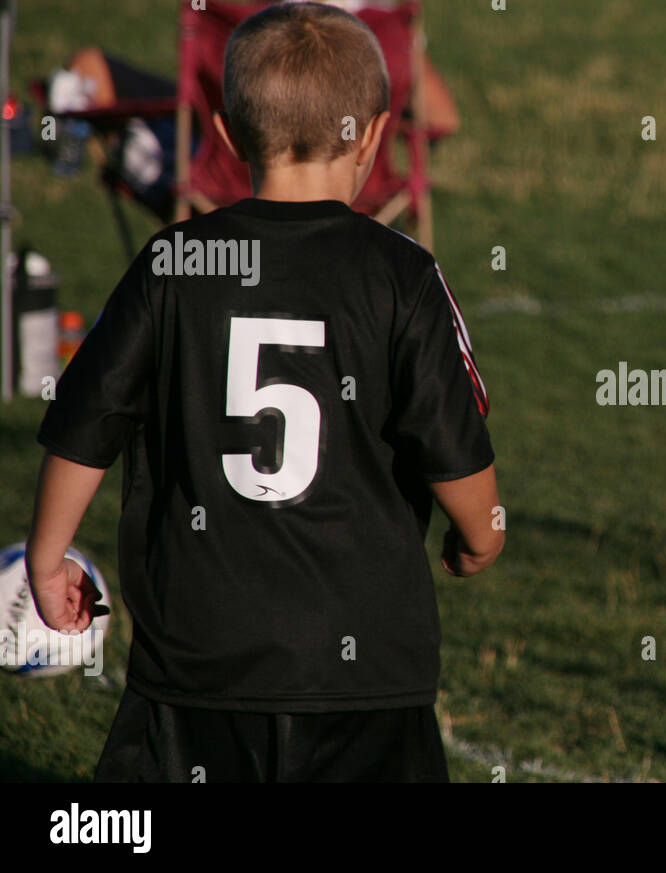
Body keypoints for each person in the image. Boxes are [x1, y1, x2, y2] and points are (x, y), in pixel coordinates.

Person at [25, 1, 502, 782]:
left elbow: (85, 423)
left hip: (196, 659)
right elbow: (453, 453)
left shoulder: (175, 262)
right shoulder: (404, 275)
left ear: (221, 133)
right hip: (366, 672)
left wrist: (47, 559)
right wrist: (482, 536)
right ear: (376, 135)